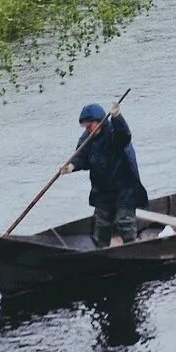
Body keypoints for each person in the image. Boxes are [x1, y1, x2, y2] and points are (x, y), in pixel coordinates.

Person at [59, 102, 149, 247]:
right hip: (102, 190)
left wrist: (117, 116)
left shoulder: (114, 133)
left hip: (124, 188)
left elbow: (125, 135)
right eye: (85, 127)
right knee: (101, 223)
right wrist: (71, 166)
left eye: (90, 125)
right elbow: (82, 157)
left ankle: (131, 248)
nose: (88, 129)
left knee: (124, 221)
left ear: (99, 121)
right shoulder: (87, 139)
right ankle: (102, 249)